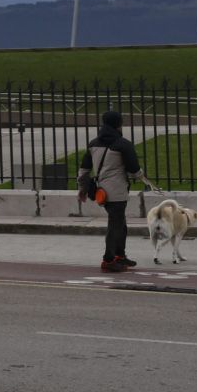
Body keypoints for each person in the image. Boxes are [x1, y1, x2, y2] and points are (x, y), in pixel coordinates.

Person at [79, 109, 144, 273]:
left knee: (120, 224)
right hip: (117, 191)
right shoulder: (123, 144)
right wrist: (141, 177)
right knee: (116, 225)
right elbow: (134, 169)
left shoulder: (93, 143)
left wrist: (82, 189)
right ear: (119, 124)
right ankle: (108, 259)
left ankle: (119, 256)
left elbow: (84, 169)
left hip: (101, 190)